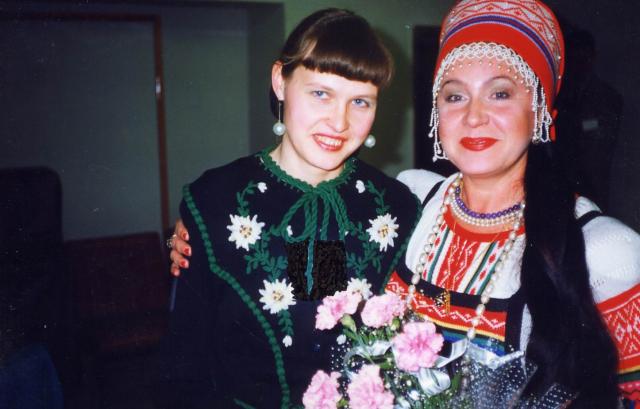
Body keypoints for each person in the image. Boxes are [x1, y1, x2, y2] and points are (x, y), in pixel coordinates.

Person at [170, 1, 640, 406]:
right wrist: (200, 234)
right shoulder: (417, 200)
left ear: (540, 109)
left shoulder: (603, 249)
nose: (474, 116)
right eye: (455, 96)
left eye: (500, 93)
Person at [160, 9, 422, 409]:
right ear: (280, 82)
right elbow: (184, 363)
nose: (339, 122)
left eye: (360, 101)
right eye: (321, 94)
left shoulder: (398, 207)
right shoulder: (213, 199)